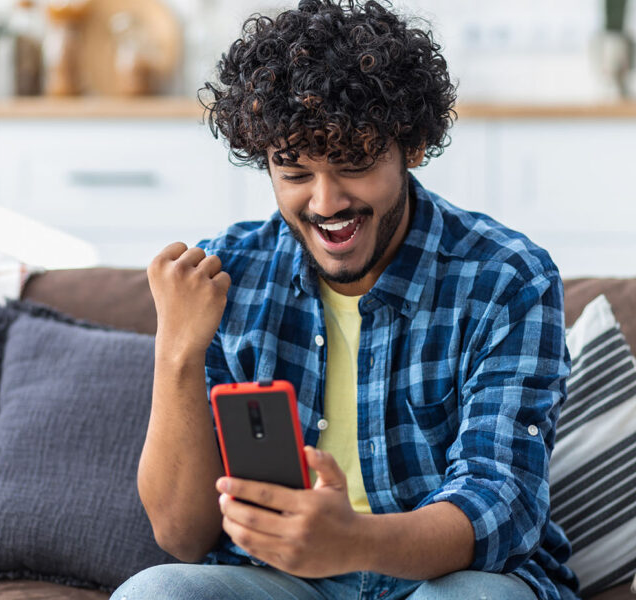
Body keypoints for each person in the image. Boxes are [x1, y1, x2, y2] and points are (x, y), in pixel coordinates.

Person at [111, 1, 579, 598]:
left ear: (413, 145)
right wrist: (176, 352)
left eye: (353, 161)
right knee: (155, 592)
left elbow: (500, 505)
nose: (327, 202)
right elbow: (181, 535)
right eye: (295, 170)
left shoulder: (507, 280)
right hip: (285, 583)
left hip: (447, 580)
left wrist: (353, 538)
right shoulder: (225, 278)